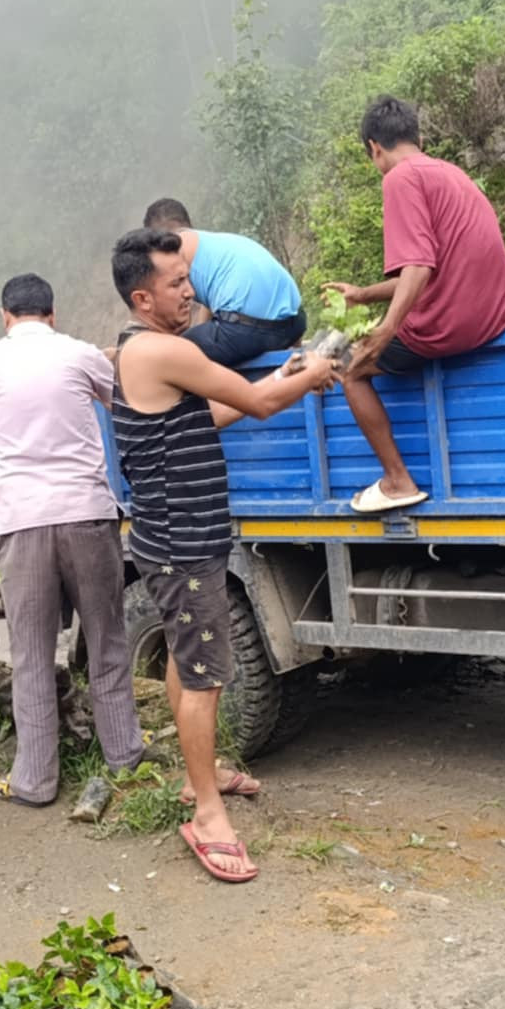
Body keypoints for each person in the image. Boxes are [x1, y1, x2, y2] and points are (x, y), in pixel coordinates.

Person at [110, 227, 339, 882]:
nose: (191, 293)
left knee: (187, 657)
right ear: (143, 298)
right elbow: (260, 405)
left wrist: (284, 374)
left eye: (189, 279)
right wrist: (312, 372)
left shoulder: (145, 352)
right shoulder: (162, 350)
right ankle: (208, 816)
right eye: (176, 284)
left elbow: (207, 415)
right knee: (206, 676)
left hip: (177, 537)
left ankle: (198, 776)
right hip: (183, 543)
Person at [0, 273, 147, 806]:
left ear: (5, 316)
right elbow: (123, 402)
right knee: (107, 641)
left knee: (31, 654)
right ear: (52, 313)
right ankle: (125, 759)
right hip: (86, 513)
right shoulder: (80, 355)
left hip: (22, 522)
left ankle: (35, 782)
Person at [326, 96, 505, 514]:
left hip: (447, 327)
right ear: (418, 139)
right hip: (499, 308)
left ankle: (397, 481)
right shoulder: (450, 172)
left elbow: (419, 267)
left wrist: (385, 330)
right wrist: (362, 294)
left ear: (374, 148)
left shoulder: (399, 179)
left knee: (349, 370)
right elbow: (434, 269)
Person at [141, 198, 307, 367]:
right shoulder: (214, 243)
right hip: (296, 323)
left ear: (153, 238)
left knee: (171, 355)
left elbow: (175, 324)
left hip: (255, 332)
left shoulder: (171, 256)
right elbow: (212, 303)